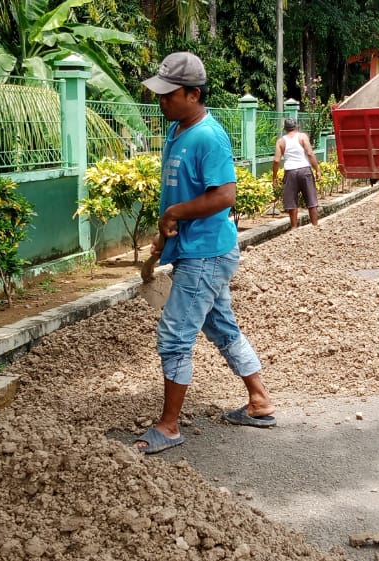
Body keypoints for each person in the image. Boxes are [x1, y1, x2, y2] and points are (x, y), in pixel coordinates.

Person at [134, 52, 277, 454]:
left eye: (169, 95)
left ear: (193, 94)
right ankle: (259, 402)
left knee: (174, 337)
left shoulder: (208, 136)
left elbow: (224, 195)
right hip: (193, 250)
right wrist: (165, 235)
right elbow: (178, 195)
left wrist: (176, 213)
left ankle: (169, 425)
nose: (161, 101)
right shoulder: (178, 130)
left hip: (207, 255)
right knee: (221, 327)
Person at [272, 117, 322, 229]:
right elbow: (309, 153)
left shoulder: (281, 141)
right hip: (305, 170)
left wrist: (274, 177)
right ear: (297, 126)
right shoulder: (302, 137)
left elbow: (276, 160)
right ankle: (315, 225)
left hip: (290, 172)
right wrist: (317, 169)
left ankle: (294, 228)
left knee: (291, 201)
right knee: (311, 199)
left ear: (285, 128)